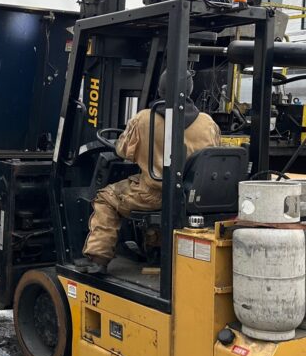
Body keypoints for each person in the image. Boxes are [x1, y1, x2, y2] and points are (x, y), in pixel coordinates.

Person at [81, 70, 222, 271]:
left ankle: (98, 259)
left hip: (153, 194)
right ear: (190, 90)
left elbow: (123, 151)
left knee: (107, 198)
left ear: (161, 89)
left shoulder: (144, 119)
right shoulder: (207, 123)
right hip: (191, 196)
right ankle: (155, 248)